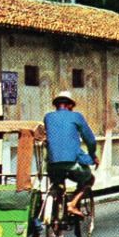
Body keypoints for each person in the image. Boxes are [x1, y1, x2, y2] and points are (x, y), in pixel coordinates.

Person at [43, 91, 98, 219]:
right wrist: (93, 155)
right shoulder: (76, 116)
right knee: (89, 179)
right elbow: (90, 140)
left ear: (56, 105)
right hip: (73, 163)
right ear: (69, 105)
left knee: (58, 182)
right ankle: (72, 204)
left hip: (52, 164)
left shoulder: (48, 117)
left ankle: (57, 210)